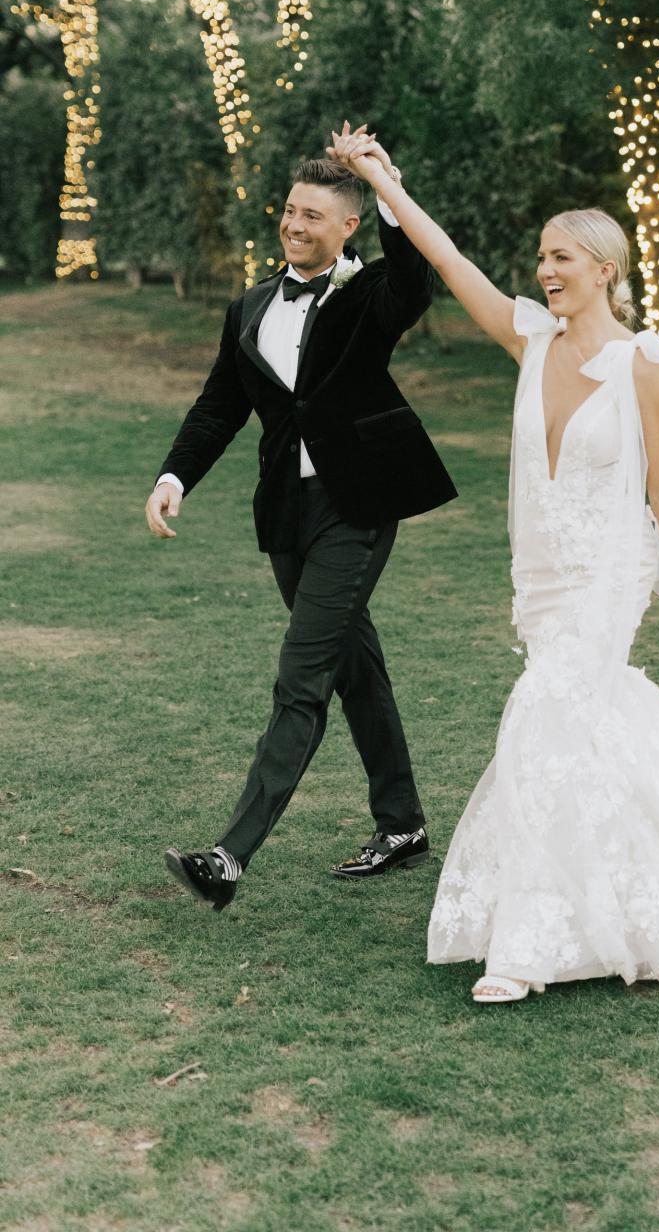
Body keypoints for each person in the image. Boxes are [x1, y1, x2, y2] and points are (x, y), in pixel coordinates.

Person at [328, 125, 659, 1004]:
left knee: (542, 718)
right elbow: (446, 256)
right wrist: (384, 181)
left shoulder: (644, 369)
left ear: (605, 270)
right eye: (541, 256)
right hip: (543, 578)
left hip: (610, 574)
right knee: (592, 725)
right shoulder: (529, 340)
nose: (546, 270)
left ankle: (527, 944)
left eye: (562, 258)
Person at [144, 130, 457, 910]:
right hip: (289, 514)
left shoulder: (369, 296)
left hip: (358, 509)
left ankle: (229, 857)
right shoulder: (249, 306)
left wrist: (382, 179)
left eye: (315, 215)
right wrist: (175, 474)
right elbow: (221, 405)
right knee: (356, 668)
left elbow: (417, 276)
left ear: (348, 225)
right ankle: (404, 824)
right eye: (290, 211)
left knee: (303, 675)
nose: (296, 225)